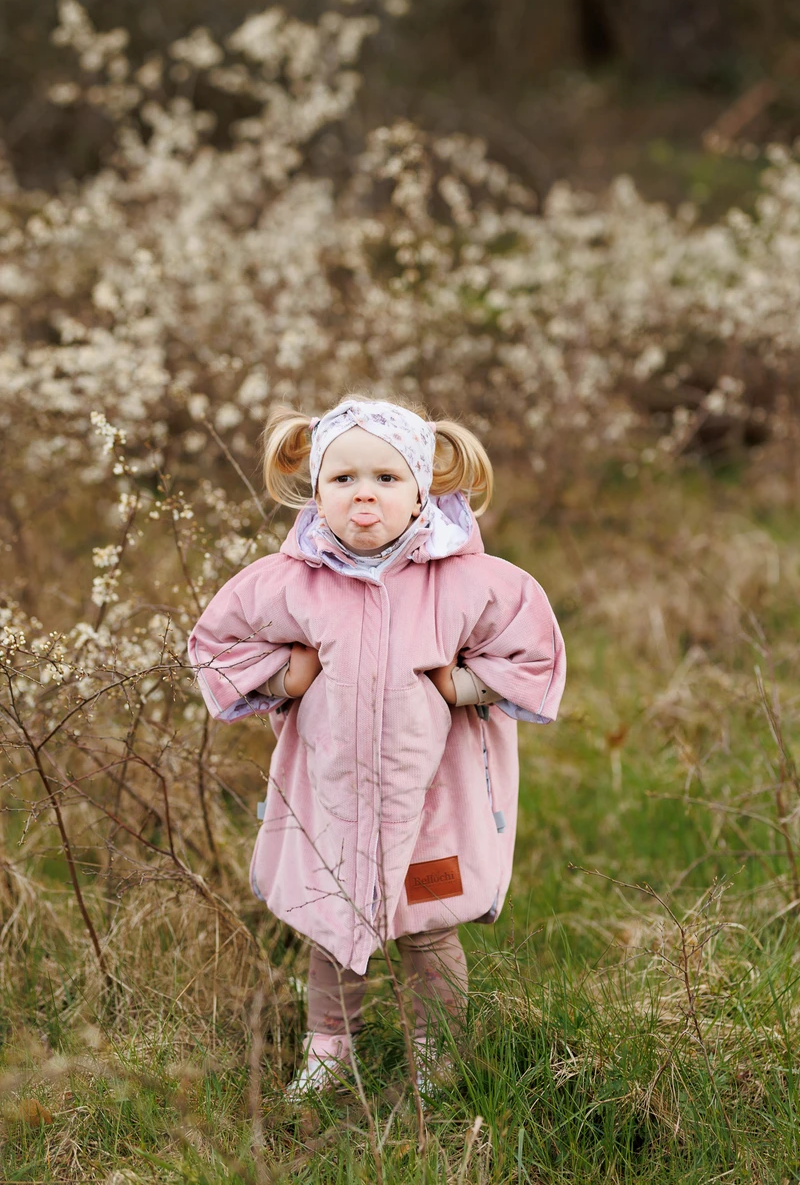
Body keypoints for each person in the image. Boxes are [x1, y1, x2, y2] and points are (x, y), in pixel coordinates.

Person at [187, 395, 566, 1096]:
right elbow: (216, 644)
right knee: (334, 924)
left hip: (433, 799)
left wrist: (463, 685)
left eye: (387, 479)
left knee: (427, 929)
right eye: (344, 479)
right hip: (330, 793)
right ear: (316, 490)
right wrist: (283, 672)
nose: (365, 494)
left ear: (423, 487)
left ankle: (439, 1053)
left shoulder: (464, 581)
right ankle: (331, 1050)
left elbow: (533, 654)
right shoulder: (290, 583)